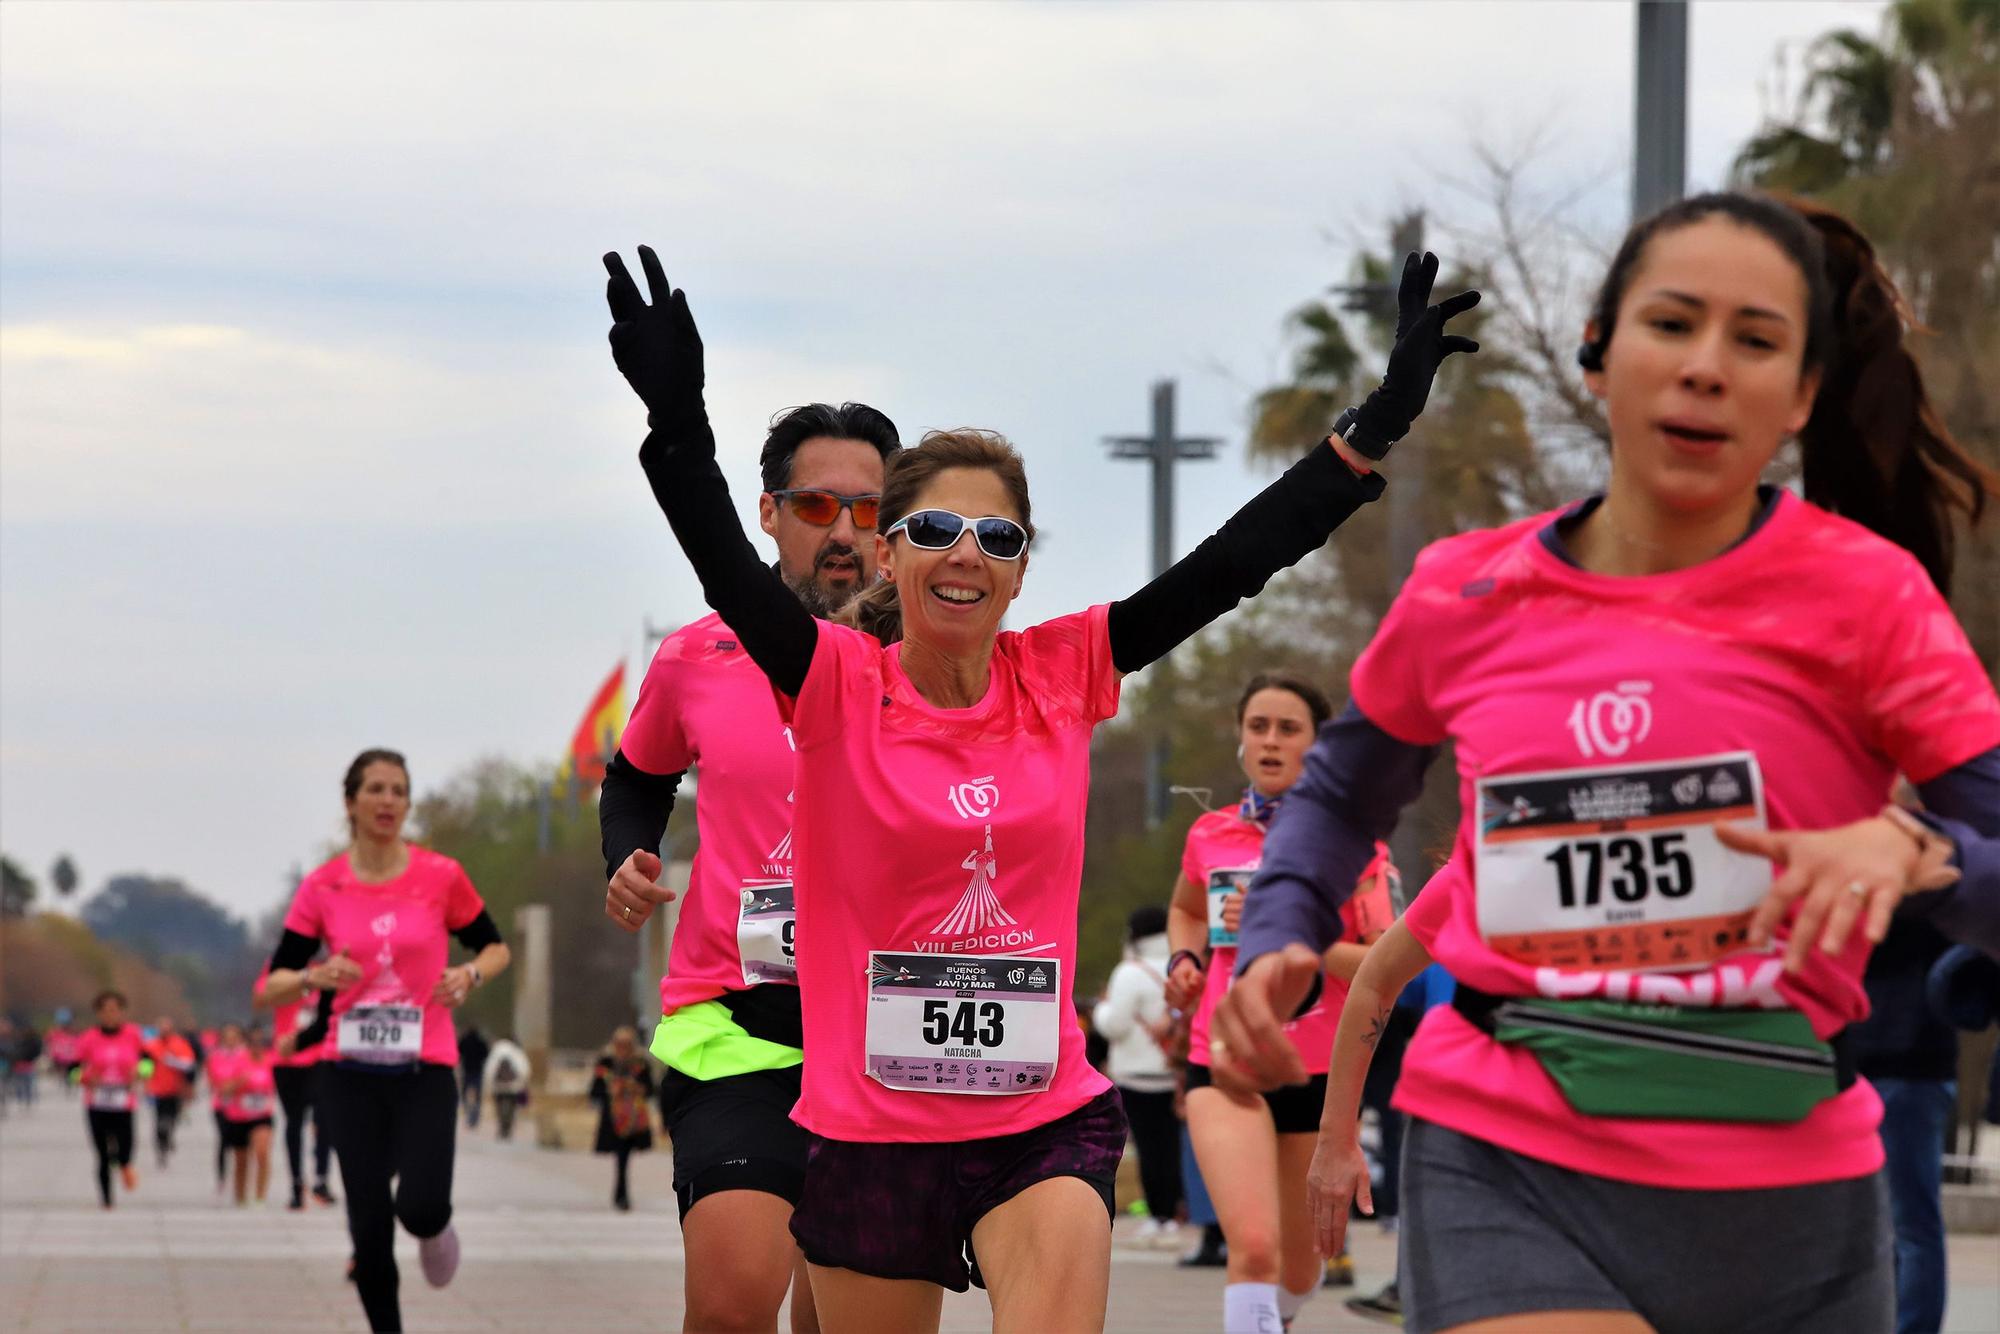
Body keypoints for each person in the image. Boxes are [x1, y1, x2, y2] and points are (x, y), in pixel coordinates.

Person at [601, 241, 1474, 1332]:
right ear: (889, 555)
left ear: (1021, 567)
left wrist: (1369, 432)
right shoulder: (832, 683)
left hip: (1035, 1115)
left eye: (996, 535)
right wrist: (677, 422)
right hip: (868, 1128)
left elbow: (1229, 562)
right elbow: (722, 563)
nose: (964, 553)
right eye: (932, 528)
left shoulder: (1063, 669)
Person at [1218, 192, 2000, 1334]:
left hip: (1788, 1186)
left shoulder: (1869, 597)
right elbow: (1340, 790)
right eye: (1671, 324)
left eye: (1754, 340)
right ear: (1596, 355)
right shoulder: (1461, 587)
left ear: (1800, 397)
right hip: (1504, 1154)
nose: (1703, 368)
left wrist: (1915, 850)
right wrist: (1278, 928)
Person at [600, 397, 899, 1334]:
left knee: (836, 1321)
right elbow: (634, 776)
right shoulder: (697, 655)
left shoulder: (932, 658)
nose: (844, 532)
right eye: (817, 508)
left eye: (868, 510)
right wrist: (628, 858)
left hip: (888, 1026)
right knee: (732, 1307)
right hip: (736, 1024)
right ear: (768, 514)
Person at [1162, 674, 1394, 1333]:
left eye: (1288, 729)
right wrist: (1186, 960)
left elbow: (1386, 965)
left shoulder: (1358, 846)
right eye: (1257, 726)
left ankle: (1279, 1316)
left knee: (1297, 1268)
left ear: (1317, 748)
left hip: (1316, 1076)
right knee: (1255, 1249)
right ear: (1240, 740)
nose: (1270, 741)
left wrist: (1297, 928)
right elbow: (1185, 909)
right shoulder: (1210, 833)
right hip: (1225, 1066)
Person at [260, 748, 512, 1333]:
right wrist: (311, 976)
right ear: (350, 802)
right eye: (375, 789)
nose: (388, 801)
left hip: (424, 1066)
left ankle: (433, 1229)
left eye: (399, 790)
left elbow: (496, 947)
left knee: (421, 1209)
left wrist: (470, 974)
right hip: (346, 1074)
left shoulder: (440, 876)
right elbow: (272, 985)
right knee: (369, 1233)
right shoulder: (323, 887)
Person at [1855, 915, 1959, 1334]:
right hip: (1859, 1060)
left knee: (1910, 1224)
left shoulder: (1935, 868)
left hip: (1909, 1065)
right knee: (1874, 1226)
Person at [1092, 905, 1181, 1251]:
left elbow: (1115, 1024)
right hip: (1173, 1071)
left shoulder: (1129, 972)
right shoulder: (1180, 965)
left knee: (1147, 1148)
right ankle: (1172, 1213)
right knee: (1171, 1147)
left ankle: (1157, 1216)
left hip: (1137, 1073)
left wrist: (1100, 1009)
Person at [260, 969, 337, 1208]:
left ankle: (321, 1179)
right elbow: (262, 997)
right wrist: (303, 981)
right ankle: (296, 1185)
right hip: (287, 1060)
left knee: (324, 1119)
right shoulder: (280, 966)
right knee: (294, 1122)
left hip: (320, 1057)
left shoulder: (331, 961)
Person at [74, 990, 145, 1208]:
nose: (110, 1015)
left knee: (125, 1148)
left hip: (124, 1101)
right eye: (105, 1011)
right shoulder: (88, 1038)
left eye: (114, 1010)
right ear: (98, 1013)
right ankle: (106, 1200)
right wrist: (85, 1078)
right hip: (97, 1102)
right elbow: (73, 1070)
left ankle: (125, 1165)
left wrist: (140, 1073)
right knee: (102, 1154)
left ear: (121, 1012)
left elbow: (149, 1062)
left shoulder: (133, 1034)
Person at [590, 1026, 656, 1211]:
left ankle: (621, 1193)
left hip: (633, 1117)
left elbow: (651, 1089)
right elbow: (595, 1091)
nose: (623, 1048)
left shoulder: (641, 1063)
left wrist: (634, 1088)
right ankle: (621, 1193)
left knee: (624, 1157)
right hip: (613, 1118)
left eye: (627, 1044)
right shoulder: (606, 1063)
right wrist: (611, 1091)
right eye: (620, 1044)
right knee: (620, 1157)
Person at [219, 1025, 278, 1206]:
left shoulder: (271, 1061)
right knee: (241, 1160)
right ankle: (241, 1197)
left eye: (261, 1042)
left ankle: (260, 1196)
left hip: (262, 1115)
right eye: (253, 1042)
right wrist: (238, 1082)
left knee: (262, 1153)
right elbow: (223, 1090)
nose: (257, 1046)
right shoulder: (237, 1061)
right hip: (238, 1115)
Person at [144, 1016, 197, 1165]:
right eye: (161, 1029)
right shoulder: (151, 1045)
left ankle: (168, 1137)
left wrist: (173, 1062)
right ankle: (161, 1146)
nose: (164, 1032)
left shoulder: (180, 1044)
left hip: (176, 1088)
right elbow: (145, 1065)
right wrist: (145, 1079)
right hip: (157, 1089)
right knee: (160, 1120)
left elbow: (189, 1065)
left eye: (166, 1029)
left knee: (172, 1118)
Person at [206, 1023, 245, 1194]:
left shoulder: (245, 1055)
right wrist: (225, 1087)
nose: (230, 1041)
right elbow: (212, 1079)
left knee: (241, 1146)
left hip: (241, 1106)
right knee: (223, 1139)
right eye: (227, 1037)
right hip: (220, 1104)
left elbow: (248, 1076)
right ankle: (221, 1176)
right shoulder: (214, 1057)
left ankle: (240, 1178)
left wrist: (235, 1085)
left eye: (234, 1037)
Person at [483, 1035, 529, 1141]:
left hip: (498, 1086)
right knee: (512, 1108)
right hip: (514, 1086)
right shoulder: (516, 1051)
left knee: (499, 1107)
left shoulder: (496, 1051)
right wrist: (521, 1083)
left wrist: (490, 1084)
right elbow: (524, 1069)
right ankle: (507, 1127)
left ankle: (502, 1126)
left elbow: (489, 1070)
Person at [457, 1025, 490, 1129]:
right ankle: (474, 1117)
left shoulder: (464, 1040)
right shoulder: (481, 1041)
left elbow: (458, 1052)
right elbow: (486, 1054)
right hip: (477, 1072)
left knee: (464, 1095)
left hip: (466, 1071)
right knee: (477, 1097)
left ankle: (468, 1113)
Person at [45, 1011, 80, 1096]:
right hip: (61, 1058)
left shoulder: (75, 1033)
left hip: (72, 1058)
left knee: (73, 1073)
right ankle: (67, 1083)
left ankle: (72, 1083)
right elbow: (49, 1042)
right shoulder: (54, 1033)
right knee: (65, 1072)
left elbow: (80, 1044)